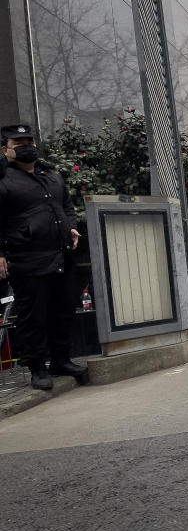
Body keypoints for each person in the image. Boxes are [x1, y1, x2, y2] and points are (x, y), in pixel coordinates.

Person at [0, 124, 87, 390]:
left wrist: (71, 225)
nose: (27, 147)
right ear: (5, 150)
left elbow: (66, 205)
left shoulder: (51, 174)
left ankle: (60, 360)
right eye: (19, 144)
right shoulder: (3, 179)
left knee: (62, 311)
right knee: (32, 316)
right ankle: (37, 368)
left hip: (61, 256)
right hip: (27, 258)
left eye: (29, 141)